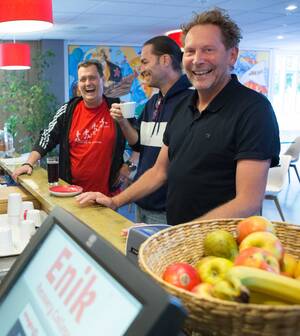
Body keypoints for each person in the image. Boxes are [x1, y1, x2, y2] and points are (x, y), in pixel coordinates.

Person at [76, 9, 280, 225]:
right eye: (190, 51)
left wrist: (179, 235)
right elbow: (159, 171)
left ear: (232, 55)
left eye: (208, 50)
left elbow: (248, 202)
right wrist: (114, 201)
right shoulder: (183, 106)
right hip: (177, 238)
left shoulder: (254, 110)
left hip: (219, 245)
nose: (197, 60)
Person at [109, 35, 191, 224]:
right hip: (143, 201)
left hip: (168, 209)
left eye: (145, 62)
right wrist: (122, 121)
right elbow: (138, 144)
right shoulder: (153, 102)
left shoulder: (190, 103)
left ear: (165, 60)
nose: (142, 69)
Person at [12, 59, 126, 195]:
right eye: (83, 79)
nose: (88, 83)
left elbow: (138, 139)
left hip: (107, 196)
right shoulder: (68, 110)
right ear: (78, 84)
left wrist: (129, 166)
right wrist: (28, 163)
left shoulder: (118, 107)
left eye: (92, 78)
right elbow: (47, 136)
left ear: (102, 80)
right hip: (71, 194)